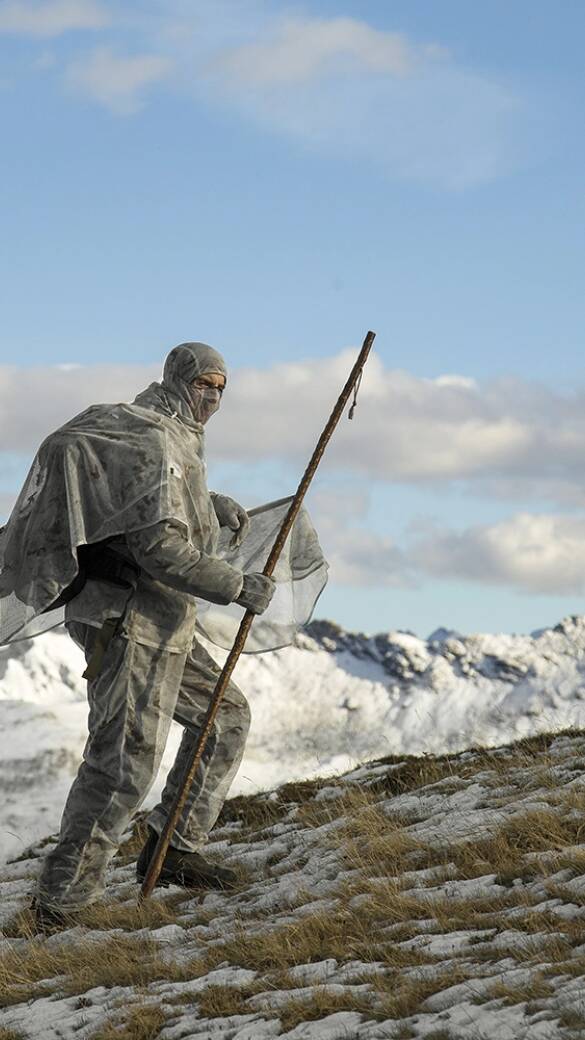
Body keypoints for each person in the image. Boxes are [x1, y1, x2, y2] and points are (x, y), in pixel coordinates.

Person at [8, 342, 279, 929]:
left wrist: (208, 504)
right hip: (130, 619)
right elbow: (159, 548)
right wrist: (237, 587)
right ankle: (60, 903)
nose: (213, 397)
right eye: (205, 383)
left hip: (165, 619)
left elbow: (135, 505)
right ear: (179, 379)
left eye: (222, 388)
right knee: (124, 761)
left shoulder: (166, 434)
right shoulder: (155, 438)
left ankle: (175, 846)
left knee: (224, 716)